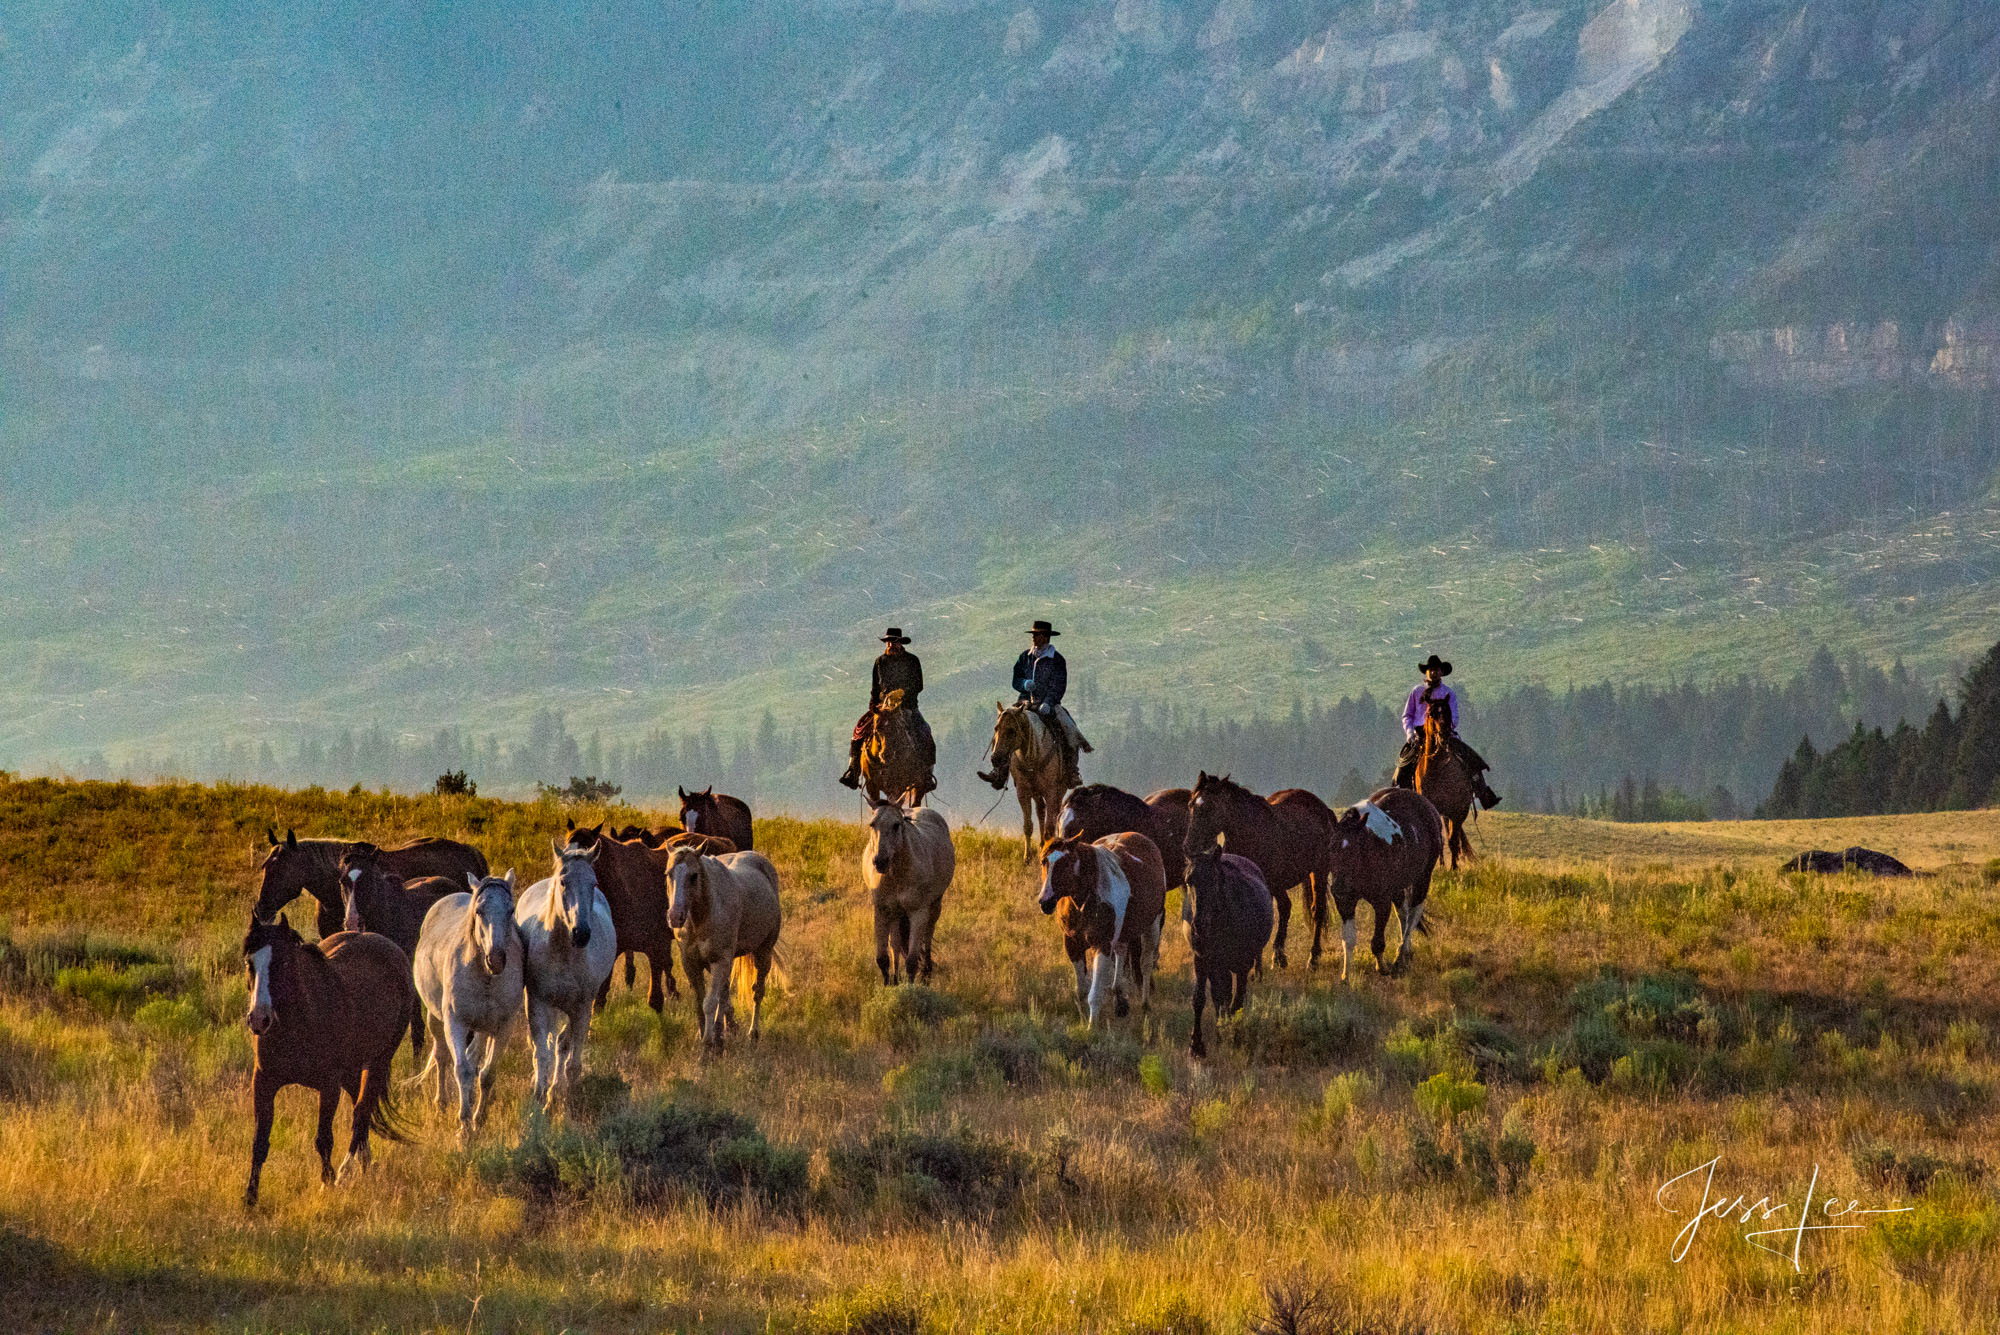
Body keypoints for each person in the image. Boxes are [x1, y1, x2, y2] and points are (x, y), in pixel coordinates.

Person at [977, 620, 1087, 791]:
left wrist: (1048, 702)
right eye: (1034, 635)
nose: (1034, 638)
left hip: (1049, 705)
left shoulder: (1057, 660)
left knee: (1070, 729)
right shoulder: (1024, 657)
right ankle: (998, 771)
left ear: (1046, 637)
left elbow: (1059, 685)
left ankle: (1071, 771)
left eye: (1037, 635)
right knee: (1003, 725)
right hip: (1024, 703)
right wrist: (1024, 684)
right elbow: (1016, 680)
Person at [1393, 654, 1502, 808]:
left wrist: (1444, 729)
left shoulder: (1448, 693)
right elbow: (1407, 715)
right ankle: (1398, 796)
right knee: (1402, 765)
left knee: (1471, 760)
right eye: (1430, 670)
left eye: (1436, 670)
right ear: (1426, 672)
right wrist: (1410, 734)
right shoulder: (1416, 691)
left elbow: (1455, 716)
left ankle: (1484, 793)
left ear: (1441, 672)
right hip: (1420, 736)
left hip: (1444, 733)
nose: (1433, 672)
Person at [839, 628, 936, 792]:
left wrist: (902, 696)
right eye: (889, 641)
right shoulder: (880, 661)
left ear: (900, 643)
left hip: (907, 707)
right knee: (859, 731)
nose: (891, 644)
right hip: (882, 707)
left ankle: (926, 774)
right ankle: (853, 771)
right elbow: (875, 687)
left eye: (894, 641)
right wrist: (873, 705)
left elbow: (918, 685)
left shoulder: (912, 661)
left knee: (925, 731)